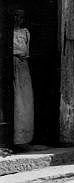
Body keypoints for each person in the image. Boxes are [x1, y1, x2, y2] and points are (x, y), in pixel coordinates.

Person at [12, 8, 33, 147]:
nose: (18, 19)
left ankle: (22, 140)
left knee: (23, 100)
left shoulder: (25, 32)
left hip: (21, 67)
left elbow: (24, 51)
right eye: (16, 16)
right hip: (11, 65)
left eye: (21, 16)